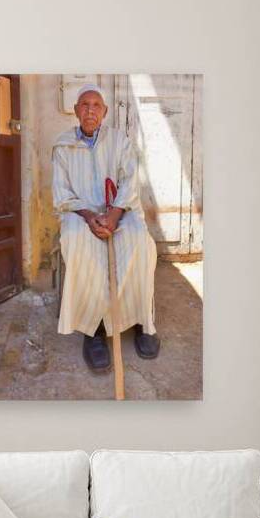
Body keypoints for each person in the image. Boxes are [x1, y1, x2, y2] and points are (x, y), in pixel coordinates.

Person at [51, 83, 160, 372]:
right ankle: (95, 329)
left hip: (118, 209)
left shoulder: (119, 141)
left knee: (139, 240)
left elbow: (129, 182)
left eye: (96, 105)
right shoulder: (62, 146)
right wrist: (89, 217)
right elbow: (62, 194)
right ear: (76, 110)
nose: (90, 110)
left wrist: (113, 215)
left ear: (105, 111)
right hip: (81, 212)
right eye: (84, 105)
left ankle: (142, 321)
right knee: (75, 239)